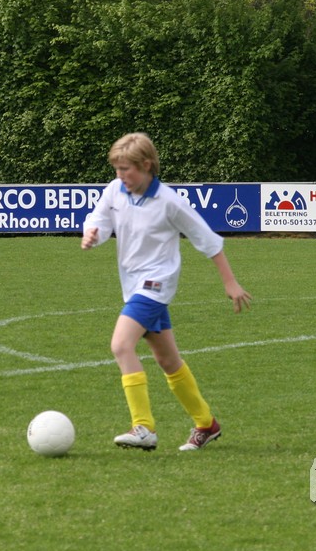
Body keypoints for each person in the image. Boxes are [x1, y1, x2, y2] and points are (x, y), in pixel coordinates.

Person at [81, 132, 252, 451]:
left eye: (126, 169)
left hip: (156, 284)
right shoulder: (115, 190)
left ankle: (143, 427)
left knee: (121, 345)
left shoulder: (169, 202)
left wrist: (230, 282)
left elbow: (207, 239)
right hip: (133, 285)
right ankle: (206, 424)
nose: (120, 175)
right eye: (117, 169)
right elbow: (99, 219)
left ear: (146, 165)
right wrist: (92, 233)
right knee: (168, 360)